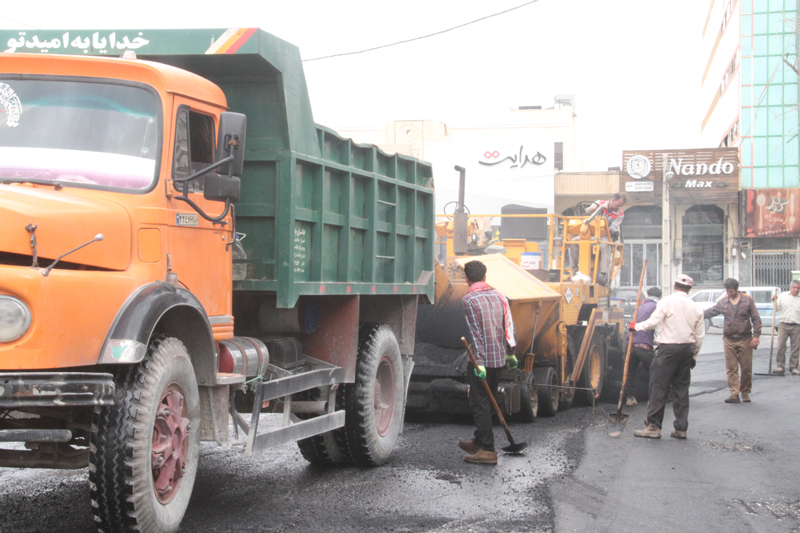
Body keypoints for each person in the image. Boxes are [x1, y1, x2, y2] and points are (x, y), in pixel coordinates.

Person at [629, 274, 705, 439]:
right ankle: (681, 428)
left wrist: (636, 326)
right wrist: (694, 355)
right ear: (689, 289)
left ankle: (654, 426)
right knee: (681, 389)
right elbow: (699, 336)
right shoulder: (696, 307)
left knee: (658, 386)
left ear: (674, 286)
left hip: (668, 349)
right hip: (687, 349)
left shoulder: (666, 302)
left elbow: (653, 322)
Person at [458, 260, 516, 465]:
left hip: (481, 361)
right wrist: (511, 352)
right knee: (487, 401)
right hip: (499, 359)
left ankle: (489, 450)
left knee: (479, 402)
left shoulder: (469, 300)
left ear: (466, 278)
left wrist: (479, 363)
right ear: (485, 276)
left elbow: (476, 333)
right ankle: (479, 441)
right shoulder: (499, 295)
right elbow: (508, 324)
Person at [704, 278, 762, 403]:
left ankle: (745, 392)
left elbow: (756, 318)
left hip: (745, 338)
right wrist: (697, 314)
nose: (729, 294)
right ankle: (734, 394)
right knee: (731, 368)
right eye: (727, 291)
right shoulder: (723, 301)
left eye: (731, 291)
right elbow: (711, 311)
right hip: (729, 339)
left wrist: (756, 336)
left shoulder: (747, 300)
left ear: (736, 289)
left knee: (746, 368)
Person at [568, 193, 626, 285]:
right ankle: (574, 269)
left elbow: (614, 227)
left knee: (606, 245)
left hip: (604, 236)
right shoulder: (599, 203)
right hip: (590, 234)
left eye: (621, 205)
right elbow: (586, 212)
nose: (619, 207)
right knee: (573, 242)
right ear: (613, 200)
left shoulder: (620, 214)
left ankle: (603, 274)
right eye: (618, 204)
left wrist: (605, 228)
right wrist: (594, 209)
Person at [624, 287, 662, 406]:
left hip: (631, 344)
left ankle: (629, 398)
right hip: (643, 346)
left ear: (648, 295)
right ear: (660, 297)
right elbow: (657, 325)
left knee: (631, 372)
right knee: (655, 371)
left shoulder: (640, 307)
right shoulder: (657, 307)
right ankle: (653, 399)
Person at [771, 280, 800, 376]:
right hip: (783, 324)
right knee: (781, 346)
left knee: (795, 348)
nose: (796, 290)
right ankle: (780, 366)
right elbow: (777, 308)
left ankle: (794, 367)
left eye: (798, 288)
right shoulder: (783, 296)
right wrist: (774, 301)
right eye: (794, 287)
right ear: (790, 288)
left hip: (796, 325)